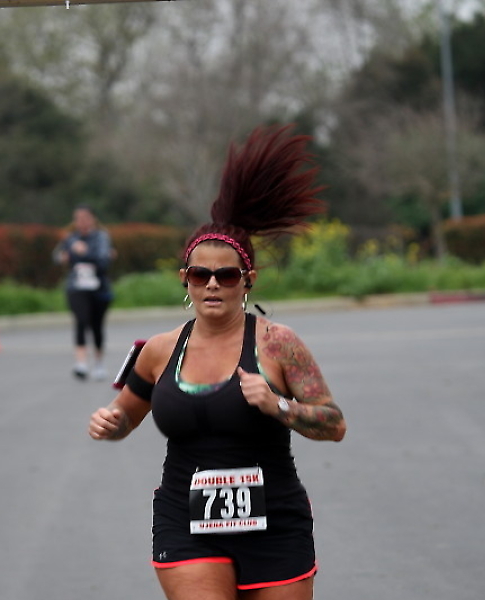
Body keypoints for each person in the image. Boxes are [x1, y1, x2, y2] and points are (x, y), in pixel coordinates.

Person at [89, 125, 346, 600]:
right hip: (186, 521)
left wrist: (279, 406)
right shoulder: (158, 350)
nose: (212, 284)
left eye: (226, 275)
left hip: (275, 521)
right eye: (199, 274)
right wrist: (111, 423)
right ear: (184, 279)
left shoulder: (278, 344)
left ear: (247, 280)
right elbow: (126, 416)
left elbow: (334, 424)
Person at [54, 204, 115, 380]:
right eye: (78, 219)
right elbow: (57, 255)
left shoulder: (101, 237)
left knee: (97, 325)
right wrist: (64, 256)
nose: (81, 222)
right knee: (81, 321)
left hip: (98, 288)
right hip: (76, 287)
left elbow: (103, 259)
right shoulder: (71, 238)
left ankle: (98, 363)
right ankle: (81, 363)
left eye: (85, 218)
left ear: (92, 219)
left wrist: (83, 252)